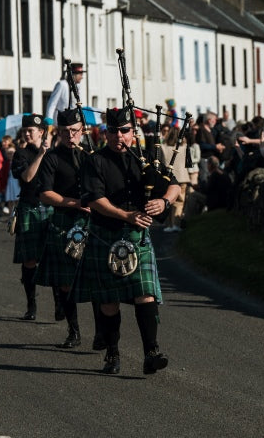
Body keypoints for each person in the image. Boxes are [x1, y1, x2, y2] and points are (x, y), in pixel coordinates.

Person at [79, 106, 178, 376]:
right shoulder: (95, 161)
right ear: (105, 133)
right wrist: (126, 215)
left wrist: (163, 201)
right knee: (109, 302)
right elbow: (96, 200)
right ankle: (112, 353)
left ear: (133, 132)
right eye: (112, 131)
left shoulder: (147, 159)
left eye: (124, 131)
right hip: (106, 233)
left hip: (137, 237)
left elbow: (174, 184)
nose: (118, 136)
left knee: (145, 295)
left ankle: (151, 352)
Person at [36, 108, 92, 348]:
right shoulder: (52, 158)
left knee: (96, 281)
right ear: (59, 132)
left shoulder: (92, 156)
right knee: (67, 282)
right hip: (64, 221)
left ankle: (103, 335)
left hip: (92, 223)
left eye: (75, 131)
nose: (71, 136)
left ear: (82, 131)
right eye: (66, 131)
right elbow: (45, 194)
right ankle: (74, 331)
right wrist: (76, 203)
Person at [10, 113, 54, 321]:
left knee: (54, 257)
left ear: (41, 132)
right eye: (25, 130)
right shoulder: (21, 154)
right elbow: (27, 178)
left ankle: (60, 305)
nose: (27, 133)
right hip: (28, 208)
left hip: (49, 208)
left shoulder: (53, 154)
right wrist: (40, 156)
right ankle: (31, 305)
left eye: (31, 130)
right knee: (29, 261)